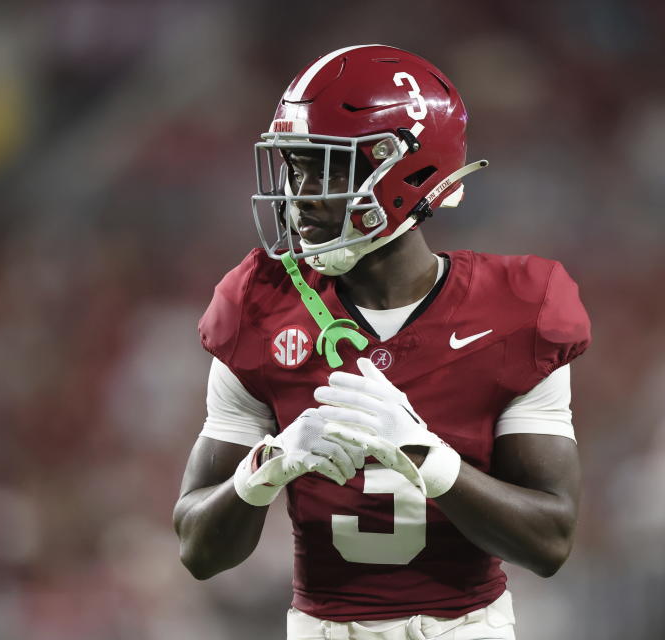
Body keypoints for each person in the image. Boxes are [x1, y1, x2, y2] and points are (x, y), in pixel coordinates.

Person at [173, 44, 591, 640]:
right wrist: (266, 469)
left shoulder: (519, 310)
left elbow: (551, 541)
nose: (302, 196)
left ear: (408, 171)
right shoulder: (259, 303)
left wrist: (429, 459)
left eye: (330, 169)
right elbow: (197, 547)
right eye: (296, 167)